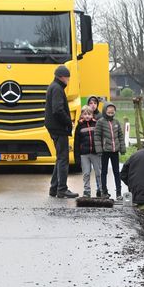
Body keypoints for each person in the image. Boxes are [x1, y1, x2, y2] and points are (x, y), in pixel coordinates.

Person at [44, 65, 77, 198]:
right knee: (63, 159)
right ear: (62, 77)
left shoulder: (53, 87)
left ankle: (54, 188)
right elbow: (58, 110)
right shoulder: (57, 88)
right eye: (67, 78)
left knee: (59, 159)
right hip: (59, 128)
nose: (68, 81)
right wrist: (69, 122)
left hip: (54, 127)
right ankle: (62, 189)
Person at [96, 102, 126, 199]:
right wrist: (99, 149)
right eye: (109, 113)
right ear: (105, 112)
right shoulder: (100, 122)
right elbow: (97, 136)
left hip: (115, 151)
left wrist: (122, 147)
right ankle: (104, 192)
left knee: (116, 172)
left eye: (112, 113)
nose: (111, 114)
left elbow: (120, 136)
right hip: (105, 151)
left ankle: (118, 193)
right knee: (104, 172)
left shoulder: (116, 122)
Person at [74, 105, 101, 197]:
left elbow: (100, 138)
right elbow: (76, 142)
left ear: (92, 115)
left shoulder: (96, 124)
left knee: (98, 172)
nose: (87, 116)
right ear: (82, 115)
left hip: (95, 153)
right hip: (84, 154)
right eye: (85, 114)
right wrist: (77, 156)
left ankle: (100, 189)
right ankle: (87, 190)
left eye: (89, 114)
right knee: (86, 173)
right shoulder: (79, 126)